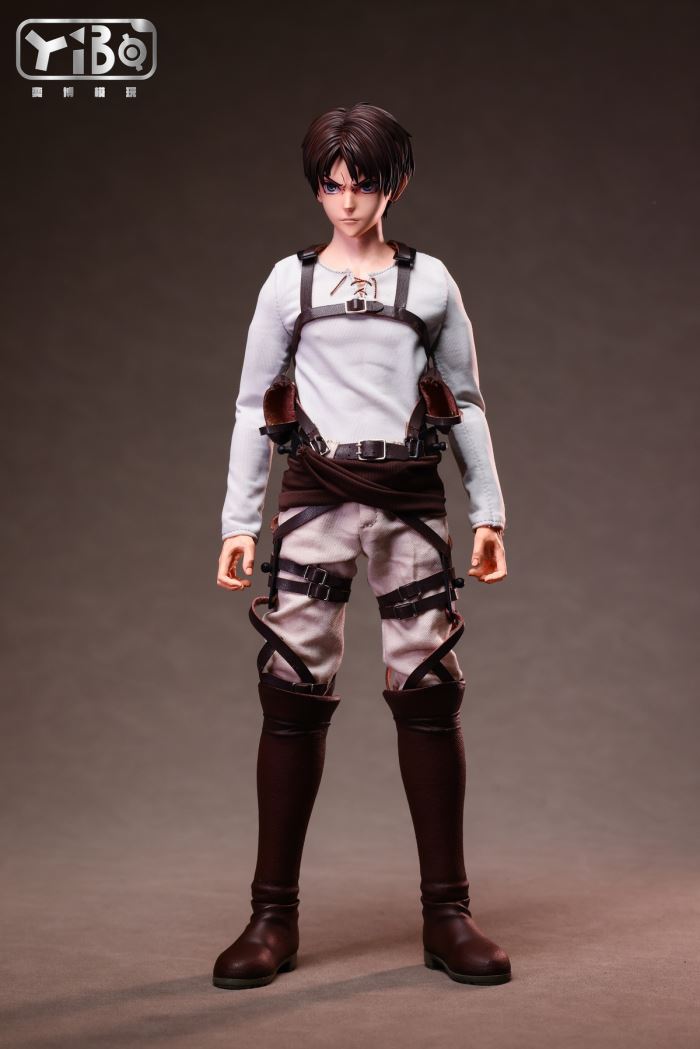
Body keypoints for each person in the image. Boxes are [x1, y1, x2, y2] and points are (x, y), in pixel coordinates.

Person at [212, 103, 511, 989]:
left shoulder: (430, 283)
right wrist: (238, 521)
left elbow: (464, 399)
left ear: (395, 185)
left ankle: (448, 911)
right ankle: (271, 913)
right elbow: (253, 402)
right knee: (291, 691)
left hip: (409, 500)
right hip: (314, 499)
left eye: (364, 184)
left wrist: (489, 510)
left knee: (428, 689)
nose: (347, 202)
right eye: (332, 185)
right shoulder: (288, 283)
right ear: (317, 187)